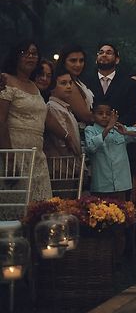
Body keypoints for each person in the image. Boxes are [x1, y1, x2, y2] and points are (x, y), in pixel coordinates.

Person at [0, 41, 52, 208]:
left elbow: (45, 116)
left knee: (42, 209)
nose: (30, 56)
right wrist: (9, 158)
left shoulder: (34, 87)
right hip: (15, 153)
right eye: (25, 52)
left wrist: (68, 137)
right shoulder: (5, 80)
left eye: (34, 53)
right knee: (17, 212)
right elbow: (1, 120)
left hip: (37, 157)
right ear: (16, 56)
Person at [85, 102, 136, 201]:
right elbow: (91, 147)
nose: (104, 116)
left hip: (121, 184)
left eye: (108, 114)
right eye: (100, 113)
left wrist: (126, 132)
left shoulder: (119, 130)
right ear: (93, 116)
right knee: (100, 213)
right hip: (101, 184)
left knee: (121, 213)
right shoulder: (90, 130)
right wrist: (108, 128)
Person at [86, 43, 136, 126]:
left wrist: (112, 126)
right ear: (96, 59)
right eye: (101, 52)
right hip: (89, 132)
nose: (104, 55)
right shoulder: (85, 81)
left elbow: (133, 113)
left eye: (108, 53)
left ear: (117, 60)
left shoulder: (130, 84)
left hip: (119, 133)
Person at [44, 68, 83, 162]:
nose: (69, 86)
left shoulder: (65, 108)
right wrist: (76, 163)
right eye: (63, 83)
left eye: (70, 83)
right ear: (52, 87)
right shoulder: (53, 107)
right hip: (63, 164)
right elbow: (61, 142)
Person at [58, 45, 94, 127]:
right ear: (63, 62)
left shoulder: (78, 81)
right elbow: (85, 115)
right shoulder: (67, 83)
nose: (78, 65)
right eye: (73, 61)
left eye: (81, 61)